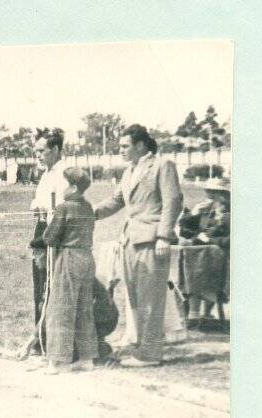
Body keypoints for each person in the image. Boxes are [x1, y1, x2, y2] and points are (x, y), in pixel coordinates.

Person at [94, 124, 183, 367]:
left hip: (152, 241)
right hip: (129, 241)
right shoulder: (128, 171)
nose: (120, 150)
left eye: (125, 146)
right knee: (134, 297)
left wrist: (164, 236)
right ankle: (140, 344)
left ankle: (150, 353)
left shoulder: (162, 165)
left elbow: (173, 201)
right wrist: (88, 212)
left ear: (140, 145)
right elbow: (116, 201)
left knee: (151, 298)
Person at [42, 167, 98, 373]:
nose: (62, 188)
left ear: (73, 187)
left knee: (60, 308)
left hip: (69, 257)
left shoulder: (64, 207)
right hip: (87, 257)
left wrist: (49, 221)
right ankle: (87, 358)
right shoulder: (88, 207)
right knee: (84, 308)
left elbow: (50, 237)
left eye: (65, 184)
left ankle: (56, 361)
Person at [28, 129, 68, 353]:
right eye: (36, 152)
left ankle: (50, 341)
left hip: (53, 234)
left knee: (50, 289)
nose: (38, 156)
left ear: (55, 150)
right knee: (40, 288)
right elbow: (37, 204)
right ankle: (40, 341)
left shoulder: (64, 174)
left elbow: (60, 211)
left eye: (42, 151)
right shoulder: (45, 174)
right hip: (41, 231)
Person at [176, 176, 230, 321]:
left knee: (202, 260)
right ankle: (194, 311)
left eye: (214, 192)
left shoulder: (230, 213)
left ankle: (203, 312)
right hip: (202, 252)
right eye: (208, 192)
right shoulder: (205, 209)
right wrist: (193, 213)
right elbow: (183, 227)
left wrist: (211, 240)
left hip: (223, 255)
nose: (210, 196)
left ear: (224, 194)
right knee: (191, 258)